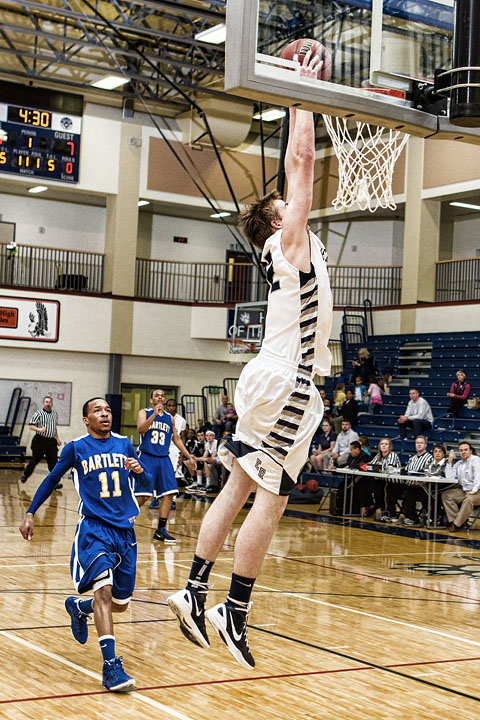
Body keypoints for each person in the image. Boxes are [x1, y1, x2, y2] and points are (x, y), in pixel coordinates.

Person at [167, 52, 333, 670]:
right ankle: (233, 611)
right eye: (290, 204)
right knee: (274, 497)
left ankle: (193, 585)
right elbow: (302, 160)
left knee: (238, 484)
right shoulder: (289, 241)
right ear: (278, 219)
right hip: (290, 381)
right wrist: (301, 92)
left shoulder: (279, 254)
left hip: (266, 375)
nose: (301, 206)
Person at [18, 397, 151, 692]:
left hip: (126, 533)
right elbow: (52, 479)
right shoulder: (76, 448)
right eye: (97, 411)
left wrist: (140, 471)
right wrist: (30, 513)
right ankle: (111, 668)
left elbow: (147, 483)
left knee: (120, 604)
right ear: (86, 420)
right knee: (103, 592)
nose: (104, 414)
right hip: (94, 530)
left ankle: (79, 608)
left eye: (107, 410)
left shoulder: (125, 445)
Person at [135, 389, 196, 543]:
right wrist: (154, 415)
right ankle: (123, 521)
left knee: (169, 493)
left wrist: (189, 457)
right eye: (157, 395)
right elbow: (141, 429)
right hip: (147, 457)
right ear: (151, 400)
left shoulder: (170, 418)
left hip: (163, 458)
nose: (160, 397)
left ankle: (161, 530)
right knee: (143, 496)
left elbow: (176, 439)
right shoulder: (145, 412)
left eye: (162, 395)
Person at [385, 435, 433, 525]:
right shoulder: (412, 458)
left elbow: (427, 473)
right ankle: (391, 513)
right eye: (417, 443)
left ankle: (412, 518)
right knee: (390, 487)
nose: (419, 445)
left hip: (422, 486)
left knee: (409, 491)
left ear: (425, 445)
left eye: (421, 443)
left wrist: (419, 482)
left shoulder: (429, 458)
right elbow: (405, 471)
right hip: (408, 484)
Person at [21, 395, 62, 489]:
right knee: (34, 461)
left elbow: (54, 428)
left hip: (51, 441)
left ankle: (54, 483)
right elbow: (31, 426)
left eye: (50, 402)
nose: (48, 404)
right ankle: (25, 475)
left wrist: (57, 439)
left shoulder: (54, 414)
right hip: (40, 440)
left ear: (52, 404)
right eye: (46, 402)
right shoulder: (39, 413)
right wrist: (40, 429)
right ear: (44, 403)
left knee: (53, 463)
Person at [442, 442, 480, 532]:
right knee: (446, 495)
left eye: (465, 450)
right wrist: (449, 462)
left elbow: (478, 476)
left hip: (478, 491)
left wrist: (474, 491)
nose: (463, 452)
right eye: (461, 450)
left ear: (470, 451)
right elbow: (449, 477)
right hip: (465, 491)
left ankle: (455, 524)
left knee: (469, 499)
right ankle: (460, 522)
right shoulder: (459, 464)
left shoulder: (476, 460)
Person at [358, 437, 400, 517]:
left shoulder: (392, 455)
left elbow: (389, 468)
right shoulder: (378, 456)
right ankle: (372, 506)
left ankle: (387, 511)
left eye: (386, 444)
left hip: (393, 482)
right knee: (364, 484)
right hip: (381, 480)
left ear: (390, 447)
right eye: (382, 444)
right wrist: (362, 465)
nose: (384, 446)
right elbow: (370, 466)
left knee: (378, 485)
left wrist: (376, 468)